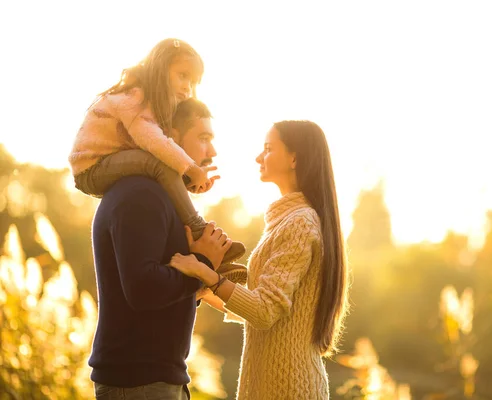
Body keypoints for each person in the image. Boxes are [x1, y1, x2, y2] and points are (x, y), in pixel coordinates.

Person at [169, 120, 350, 399]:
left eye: (267, 149)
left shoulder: (300, 223)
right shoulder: (290, 220)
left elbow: (264, 312)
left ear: (294, 158)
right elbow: (271, 315)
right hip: (275, 385)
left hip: (288, 388)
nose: (258, 157)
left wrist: (207, 274)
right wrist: (203, 287)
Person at [88, 98, 236, 400]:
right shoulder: (141, 194)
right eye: (203, 138)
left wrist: (199, 279)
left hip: (153, 381)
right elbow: (143, 289)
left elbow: (157, 295)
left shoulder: (156, 195)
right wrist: (203, 262)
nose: (213, 152)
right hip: (138, 384)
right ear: (170, 137)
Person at [68, 38, 246, 281]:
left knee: (157, 164)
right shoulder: (136, 97)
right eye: (182, 76)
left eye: (193, 82)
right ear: (161, 70)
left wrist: (188, 181)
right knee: (156, 161)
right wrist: (191, 168)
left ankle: (212, 261)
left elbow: (161, 163)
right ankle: (197, 228)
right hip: (91, 166)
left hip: (111, 161)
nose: (187, 87)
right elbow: (155, 143)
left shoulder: (151, 104)